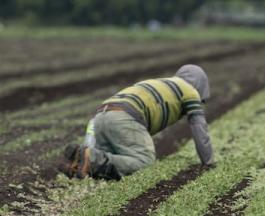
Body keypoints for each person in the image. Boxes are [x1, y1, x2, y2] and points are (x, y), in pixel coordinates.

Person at [59, 65, 214, 179]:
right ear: (200, 85)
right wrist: (208, 162)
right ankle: (91, 159)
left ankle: (78, 165)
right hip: (125, 116)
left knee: (111, 164)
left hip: (102, 114)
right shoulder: (190, 92)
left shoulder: (165, 82)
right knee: (144, 161)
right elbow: (199, 127)